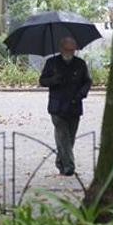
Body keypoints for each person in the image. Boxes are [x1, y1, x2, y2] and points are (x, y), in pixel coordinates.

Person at [39, 37, 92, 176]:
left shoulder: (80, 64)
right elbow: (42, 81)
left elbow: (87, 82)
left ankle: (60, 162)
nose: (71, 52)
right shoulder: (52, 63)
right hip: (57, 107)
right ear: (61, 49)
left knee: (70, 137)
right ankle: (69, 167)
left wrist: (81, 94)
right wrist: (53, 80)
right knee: (63, 135)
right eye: (68, 49)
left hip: (74, 105)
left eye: (73, 50)